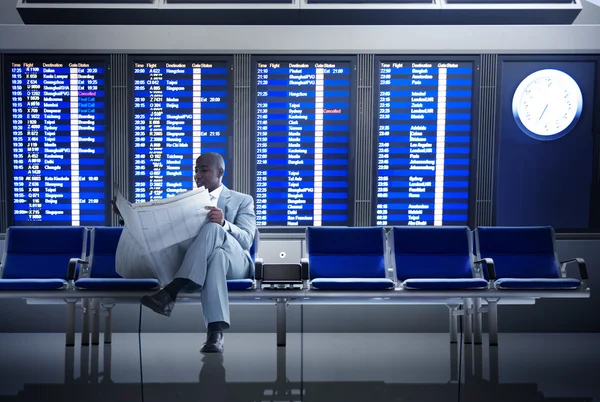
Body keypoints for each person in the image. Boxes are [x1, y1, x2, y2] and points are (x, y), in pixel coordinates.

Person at [117, 152, 256, 353]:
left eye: (204, 170)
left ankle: (172, 290)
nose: (198, 175)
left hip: (238, 262)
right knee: (216, 257)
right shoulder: (186, 202)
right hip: (211, 263)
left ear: (220, 172)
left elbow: (246, 240)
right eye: (196, 171)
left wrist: (224, 223)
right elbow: (159, 232)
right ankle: (214, 334)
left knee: (214, 228)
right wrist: (127, 219)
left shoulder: (242, 200)